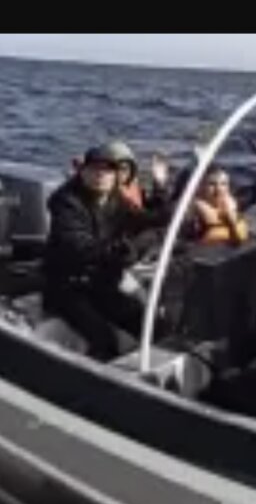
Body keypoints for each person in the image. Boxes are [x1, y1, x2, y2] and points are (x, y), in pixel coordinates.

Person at [43, 142, 171, 360]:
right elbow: (78, 246)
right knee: (105, 341)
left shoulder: (115, 200)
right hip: (69, 288)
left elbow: (150, 219)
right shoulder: (66, 202)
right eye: (94, 169)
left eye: (108, 170)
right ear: (82, 172)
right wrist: (118, 251)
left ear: (115, 176)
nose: (100, 175)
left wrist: (160, 188)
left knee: (153, 327)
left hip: (102, 284)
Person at [190, 166, 249, 245]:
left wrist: (232, 219)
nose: (219, 189)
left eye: (223, 184)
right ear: (200, 186)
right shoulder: (191, 212)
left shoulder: (235, 204)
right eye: (212, 184)